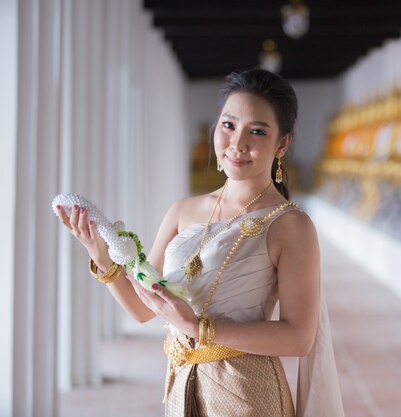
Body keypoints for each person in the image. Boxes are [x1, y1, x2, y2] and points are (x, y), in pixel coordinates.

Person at [55, 69, 345, 417]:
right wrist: (101, 258)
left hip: (247, 392)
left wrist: (198, 328)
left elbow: (299, 337)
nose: (237, 143)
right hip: (181, 382)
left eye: (257, 131)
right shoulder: (183, 210)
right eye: (228, 125)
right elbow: (144, 308)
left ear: (282, 144)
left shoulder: (290, 225)